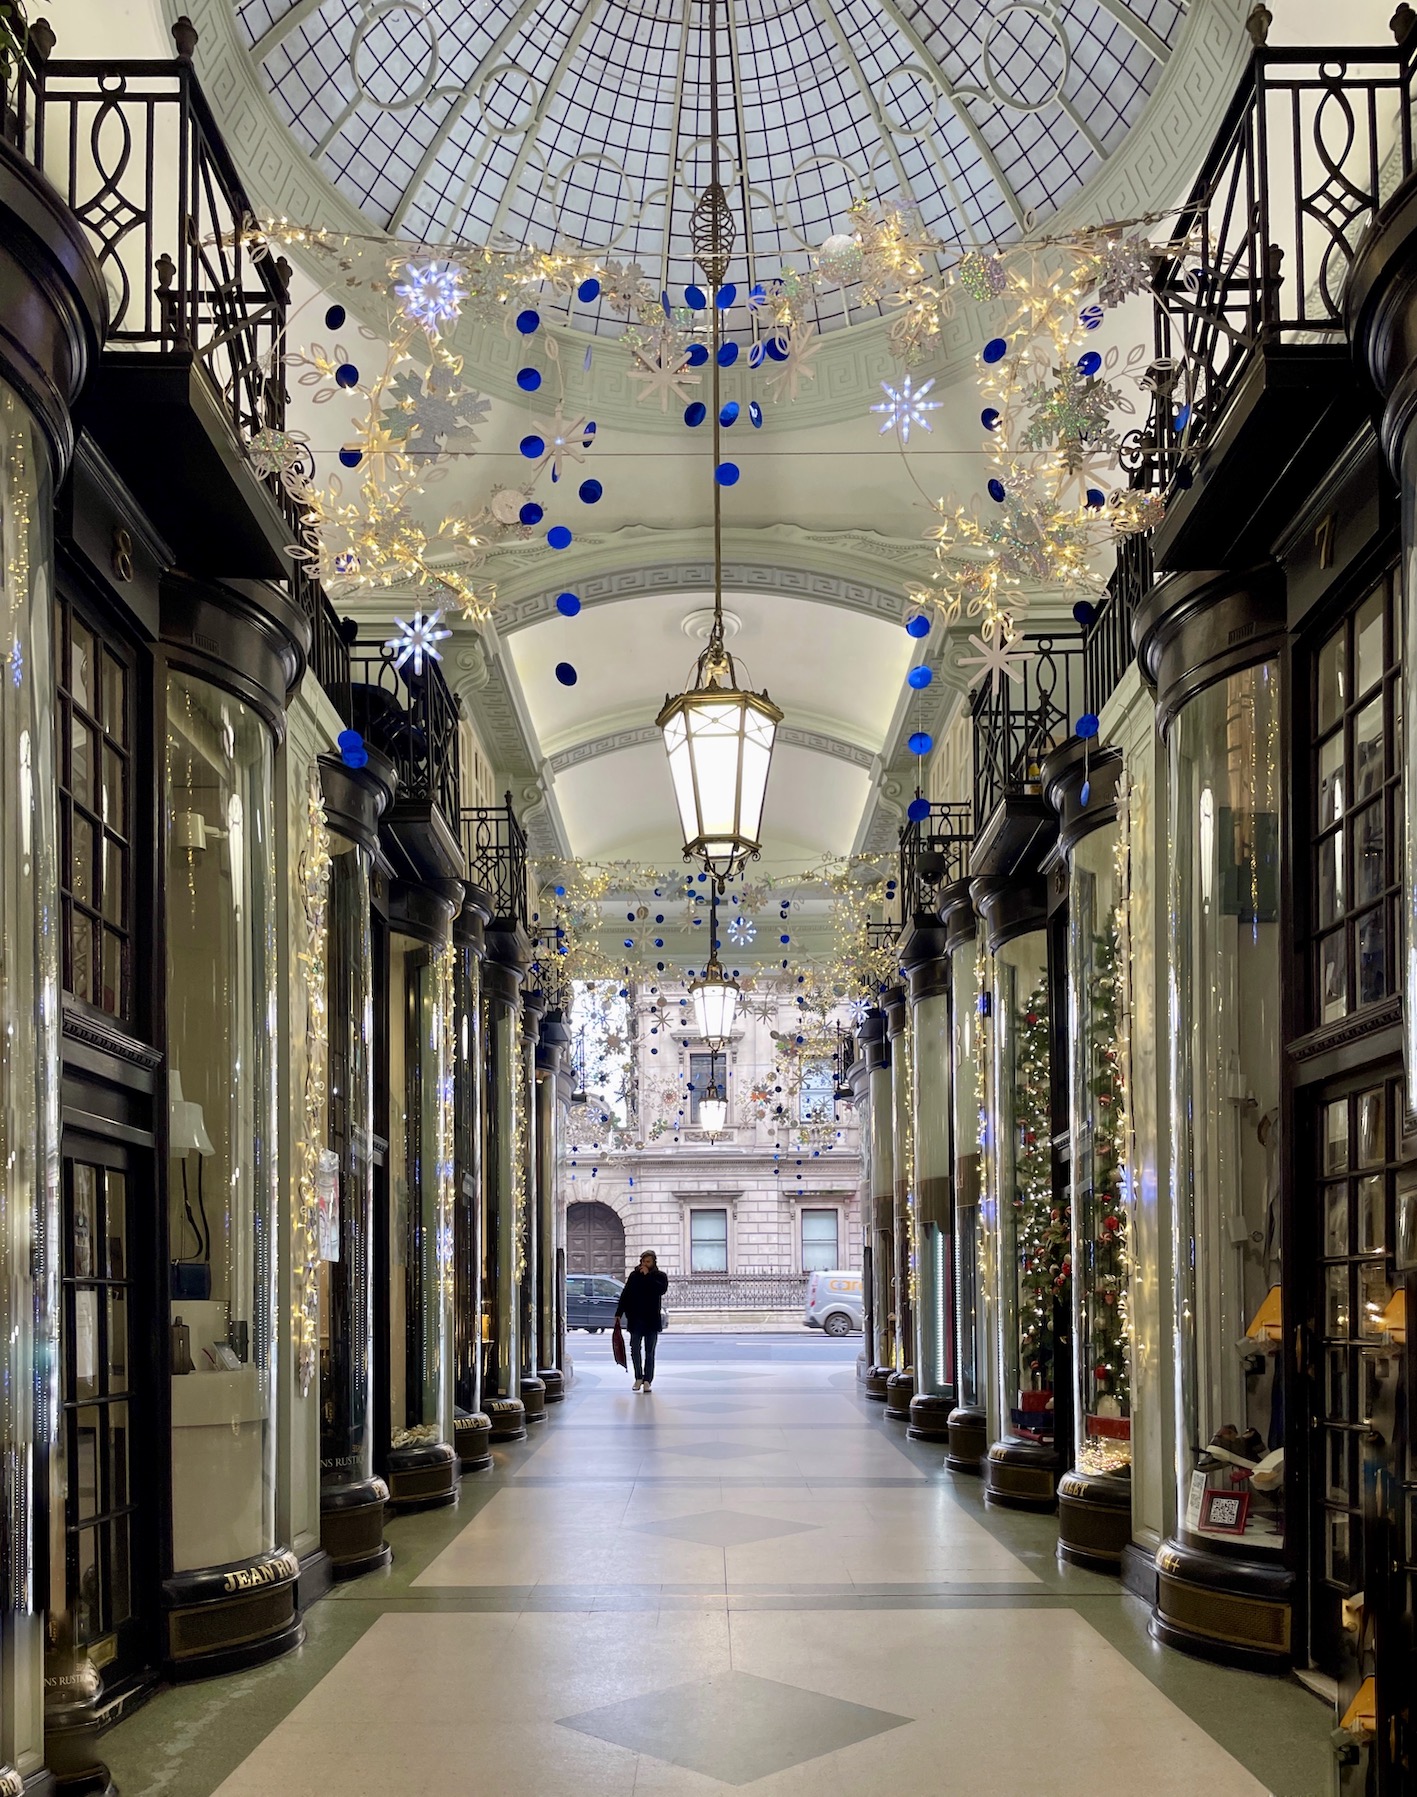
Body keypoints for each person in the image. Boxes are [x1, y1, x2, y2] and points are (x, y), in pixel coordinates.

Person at [616, 1250, 668, 1392]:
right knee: (635, 1349)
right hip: (636, 1319)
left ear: (653, 1263)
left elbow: (661, 1290)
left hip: (651, 1319)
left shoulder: (660, 1277)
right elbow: (625, 1294)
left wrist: (648, 1276)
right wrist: (619, 1312)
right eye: (643, 1261)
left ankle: (647, 1380)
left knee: (649, 1351)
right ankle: (638, 1377)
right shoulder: (634, 1276)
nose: (645, 1264)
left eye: (648, 1262)